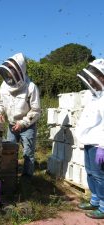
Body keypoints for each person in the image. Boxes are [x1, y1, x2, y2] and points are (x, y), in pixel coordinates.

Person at [0, 53, 41, 177]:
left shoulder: (31, 87)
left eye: (12, 73)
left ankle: (27, 179)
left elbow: (36, 111)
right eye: (8, 73)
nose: (9, 76)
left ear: (20, 72)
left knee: (28, 153)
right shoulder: (4, 86)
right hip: (11, 125)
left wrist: (23, 123)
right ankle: (10, 176)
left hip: (27, 126)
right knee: (9, 152)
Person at [75, 58, 104, 219]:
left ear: (101, 77)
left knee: (100, 176)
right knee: (91, 173)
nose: (91, 81)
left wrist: (103, 146)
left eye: (94, 77)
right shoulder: (96, 96)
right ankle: (94, 200)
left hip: (98, 144)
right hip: (89, 142)